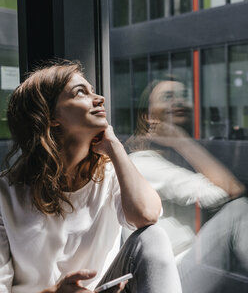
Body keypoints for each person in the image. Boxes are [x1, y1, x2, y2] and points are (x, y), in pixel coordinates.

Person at [0, 60, 182, 293]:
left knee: (153, 236)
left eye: (93, 91)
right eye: (80, 92)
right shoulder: (5, 193)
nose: (99, 99)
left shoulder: (110, 173)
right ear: (50, 116)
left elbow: (146, 215)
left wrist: (114, 146)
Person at [125, 78, 248, 293]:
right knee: (239, 210)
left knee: (244, 218)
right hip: (168, 280)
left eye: (184, 95)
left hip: (186, 267)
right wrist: (180, 140)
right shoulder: (142, 163)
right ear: (147, 117)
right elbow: (231, 190)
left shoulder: (174, 161)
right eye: (167, 97)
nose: (179, 101)